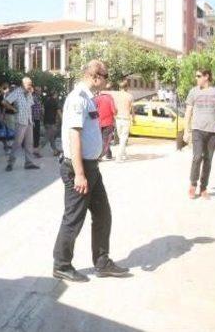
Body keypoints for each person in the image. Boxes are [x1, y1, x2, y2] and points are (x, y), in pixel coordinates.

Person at [52, 60, 129, 282]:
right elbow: (73, 136)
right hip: (79, 167)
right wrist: (79, 173)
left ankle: (102, 262)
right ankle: (61, 264)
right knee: (74, 218)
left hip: (91, 167)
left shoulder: (89, 98)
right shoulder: (78, 98)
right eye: (105, 76)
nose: (107, 80)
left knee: (103, 214)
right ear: (95, 76)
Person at [183, 69, 215, 200]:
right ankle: (193, 184)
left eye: (198, 76)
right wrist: (186, 130)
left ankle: (203, 188)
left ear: (206, 77)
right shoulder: (193, 91)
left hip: (213, 131)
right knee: (197, 157)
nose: (196, 78)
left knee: (208, 159)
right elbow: (188, 112)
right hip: (197, 130)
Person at [2, 77, 39, 172]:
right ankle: (10, 163)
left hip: (29, 121)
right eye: (29, 84)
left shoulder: (29, 93)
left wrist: (32, 120)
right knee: (17, 143)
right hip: (20, 121)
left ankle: (29, 163)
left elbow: (30, 106)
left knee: (29, 143)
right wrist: (13, 109)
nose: (30, 85)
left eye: (31, 84)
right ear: (23, 84)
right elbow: (4, 102)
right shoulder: (17, 92)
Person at [111, 79, 134, 162]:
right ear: (127, 87)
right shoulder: (130, 96)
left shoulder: (116, 95)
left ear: (120, 87)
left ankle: (124, 154)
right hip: (126, 119)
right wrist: (134, 119)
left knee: (121, 138)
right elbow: (132, 109)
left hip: (118, 119)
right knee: (123, 139)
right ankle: (119, 157)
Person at [95, 89, 116, 160]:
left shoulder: (96, 98)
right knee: (106, 140)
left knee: (101, 140)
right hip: (108, 122)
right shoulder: (110, 98)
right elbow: (114, 111)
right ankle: (100, 156)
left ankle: (108, 154)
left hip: (98, 122)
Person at [42, 91, 62, 156]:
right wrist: (63, 120)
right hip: (51, 122)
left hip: (46, 121)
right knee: (48, 136)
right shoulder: (55, 102)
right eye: (56, 95)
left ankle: (55, 151)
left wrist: (43, 118)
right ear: (55, 95)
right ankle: (38, 149)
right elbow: (59, 112)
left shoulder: (46, 101)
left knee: (51, 137)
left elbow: (43, 111)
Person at [32, 86, 43, 158]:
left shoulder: (38, 98)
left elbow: (39, 109)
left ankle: (35, 150)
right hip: (34, 119)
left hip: (37, 118)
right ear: (35, 91)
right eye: (39, 91)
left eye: (40, 91)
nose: (40, 92)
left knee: (36, 135)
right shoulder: (33, 98)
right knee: (36, 135)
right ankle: (35, 151)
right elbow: (31, 109)